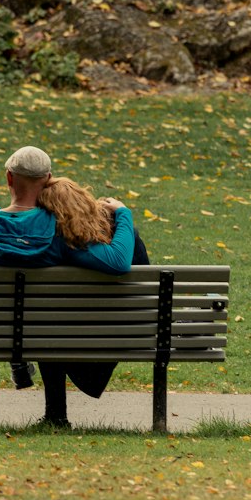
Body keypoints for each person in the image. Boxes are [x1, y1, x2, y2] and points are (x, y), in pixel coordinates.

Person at [0, 146, 134, 428]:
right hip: (38, 328)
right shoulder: (59, 229)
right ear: (48, 178)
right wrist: (122, 215)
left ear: (9, 179)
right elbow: (117, 263)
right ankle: (19, 357)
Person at [33, 176, 150, 429]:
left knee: (45, 324)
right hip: (127, 333)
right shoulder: (125, 238)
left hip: (66, 338)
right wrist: (123, 214)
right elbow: (147, 296)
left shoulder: (54, 246)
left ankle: (56, 416)